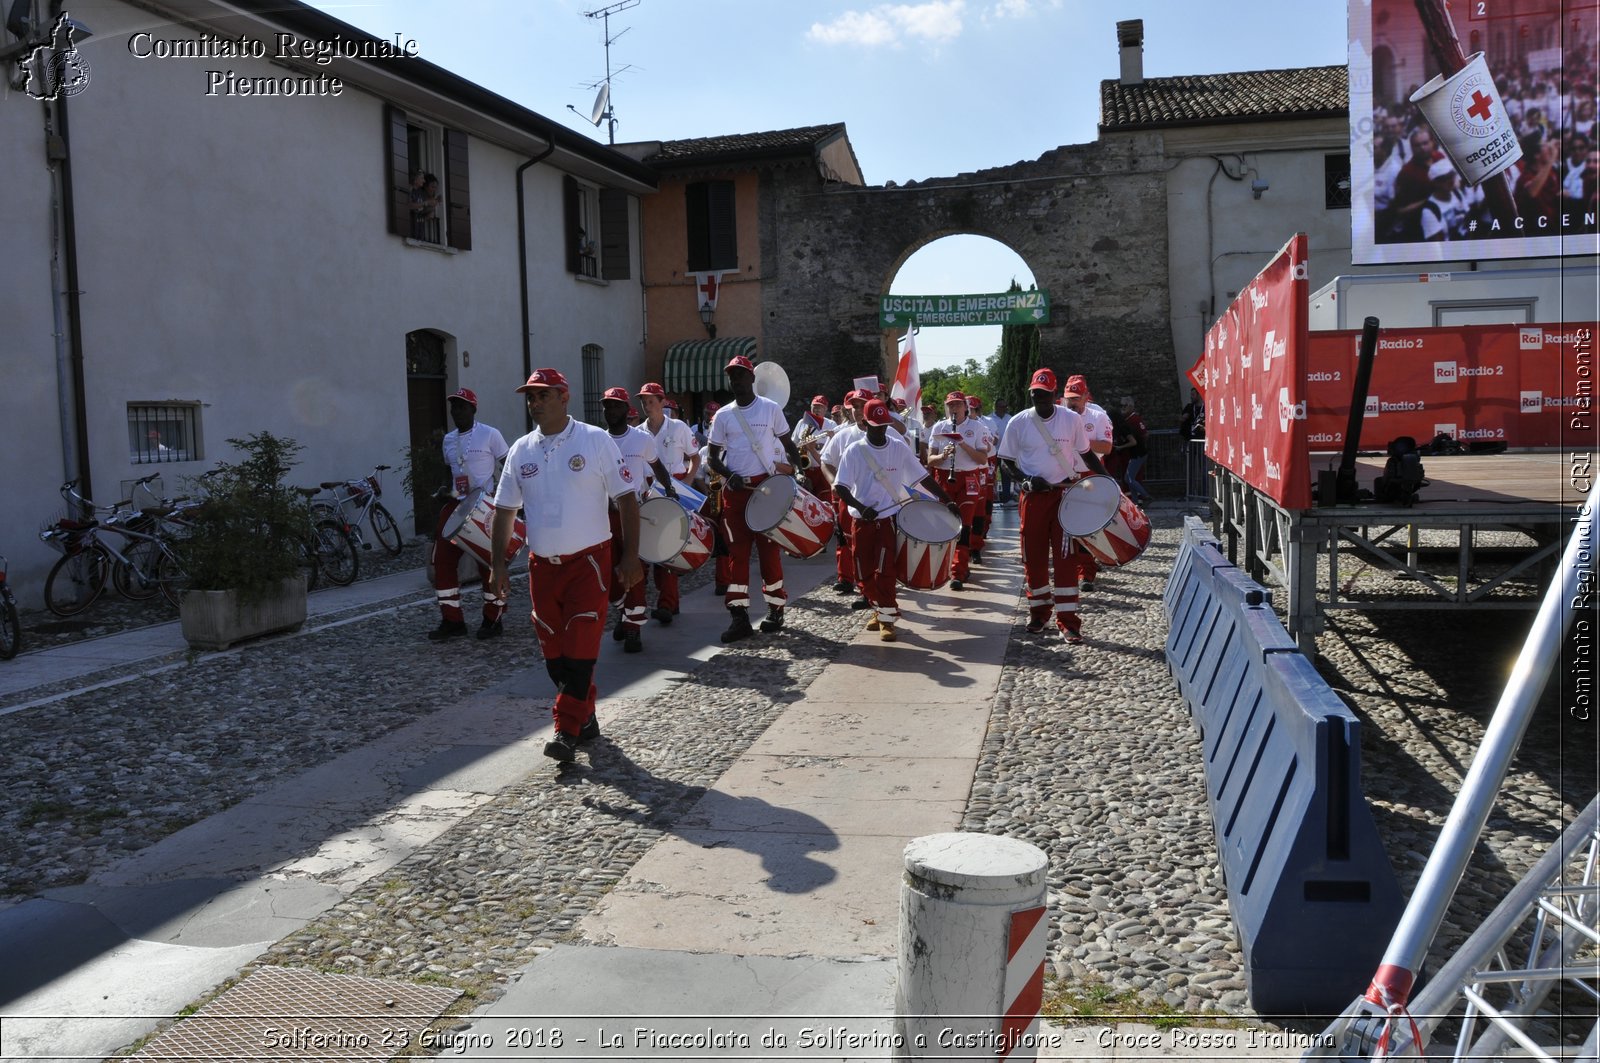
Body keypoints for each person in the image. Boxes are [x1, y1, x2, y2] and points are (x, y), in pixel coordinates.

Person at [489, 368, 641, 764]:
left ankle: (566, 731)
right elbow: (505, 511)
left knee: (580, 648)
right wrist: (498, 565)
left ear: (564, 397)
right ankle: (585, 716)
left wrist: (629, 557)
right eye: (531, 397)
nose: (535, 403)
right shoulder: (521, 449)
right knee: (554, 655)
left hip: (588, 561)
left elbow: (626, 498)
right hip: (542, 566)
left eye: (543, 395)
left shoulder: (595, 440)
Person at [831, 399, 958, 642]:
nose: (881, 430)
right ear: (865, 424)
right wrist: (859, 506)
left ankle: (888, 618)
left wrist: (946, 499)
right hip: (861, 522)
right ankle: (880, 609)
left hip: (888, 520)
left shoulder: (898, 448)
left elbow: (922, 478)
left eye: (884, 425)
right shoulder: (854, 451)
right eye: (876, 425)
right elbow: (841, 487)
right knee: (862, 572)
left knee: (885, 570)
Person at [998, 368, 1106, 644]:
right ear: (1030, 393)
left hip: (1063, 496)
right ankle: (1039, 614)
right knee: (1033, 558)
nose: (1040, 399)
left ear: (1054, 395)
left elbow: (1086, 455)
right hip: (1033, 500)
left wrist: (1108, 485)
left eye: (1045, 395)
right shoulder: (1019, 422)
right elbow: (1006, 461)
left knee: (1066, 558)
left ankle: (1069, 622)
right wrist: (1024, 480)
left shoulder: (1071, 420)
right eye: (1036, 394)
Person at [707, 355, 802, 643]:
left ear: (752, 378)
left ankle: (775, 609)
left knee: (769, 551)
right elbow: (712, 457)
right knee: (737, 555)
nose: (736, 381)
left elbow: (789, 446)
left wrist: (798, 473)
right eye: (732, 377)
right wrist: (727, 474)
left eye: (740, 375)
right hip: (736, 492)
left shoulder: (770, 409)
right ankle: (739, 617)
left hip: (767, 489)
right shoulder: (723, 415)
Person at [429, 387, 510, 641]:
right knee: (442, 560)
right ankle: (452, 620)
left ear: (473, 409)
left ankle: (492, 618)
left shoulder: (490, 434)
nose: (456, 411)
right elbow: (450, 472)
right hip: (456, 505)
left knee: (488, 563)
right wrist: (445, 490)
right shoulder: (449, 440)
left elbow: (508, 466)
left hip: (483, 505)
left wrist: (503, 499)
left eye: (462, 406)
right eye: (454, 406)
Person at [601, 386, 674, 654]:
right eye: (606, 407)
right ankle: (625, 613)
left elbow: (657, 468)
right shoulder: (598, 440)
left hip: (635, 514)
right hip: (605, 517)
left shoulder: (641, 439)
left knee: (634, 571)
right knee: (608, 574)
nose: (610, 411)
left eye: (615, 406)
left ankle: (633, 629)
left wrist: (672, 491)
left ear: (625, 409)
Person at [639, 382, 699, 625]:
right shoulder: (639, 432)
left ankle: (667, 603)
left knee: (669, 548)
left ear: (663, 402)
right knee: (649, 548)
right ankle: (643, 604)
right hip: (649, 493)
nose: (646, 405)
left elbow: (695, 457)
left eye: (651, 400)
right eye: (643, 401)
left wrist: (689, 483)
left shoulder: (679, 427)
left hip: (675, 487)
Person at [927, 390, 992, 590]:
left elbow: (982, 459)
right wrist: (943, 457)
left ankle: (958, 570)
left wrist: (962, 443)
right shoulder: (939, 427)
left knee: (964, 525)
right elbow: (930, 459)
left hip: (969, 478)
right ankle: (947, 567)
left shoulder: (978, 427)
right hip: (944, 478)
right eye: (951, 405)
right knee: (947, 525)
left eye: (957, 404)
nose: (954, 408)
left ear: (965, 406)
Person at [1063, 375, 1116, 590]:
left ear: (1086, 397)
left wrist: (1081, 441)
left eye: (1076, 398)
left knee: (1088, 526)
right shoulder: (1058, 417)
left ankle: (1087, 573)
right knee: (1067, 527)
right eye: (1069, 398)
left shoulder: (1098, 417)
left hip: (1089, 476)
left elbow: (1106, 448)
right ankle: (1070, 569)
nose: (1072, 402)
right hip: (1065, 476)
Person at [822, 390, 870, 599]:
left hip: (871, 497)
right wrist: (833, 482)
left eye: (862, 405)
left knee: (867, 543)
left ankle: (868, 584)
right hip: (846, 495)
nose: (858, 411)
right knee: (845, 538)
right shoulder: (843, 435)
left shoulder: (885, 432)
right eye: (855, 406)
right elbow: (826, 461)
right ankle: (846, 578)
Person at [1116, 395, 1154, 505]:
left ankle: (1145, 496)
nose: (1122, 408)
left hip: (1137, 453)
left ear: (1131, 406)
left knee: (1130, 478)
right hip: (1133, 454)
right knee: (1128, 478)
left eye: (1124, 405)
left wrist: (1122, 447)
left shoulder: (1135, 419)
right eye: (1121, 405)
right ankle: (1135, 502)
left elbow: (1142, 436)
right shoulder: (1126, 420)